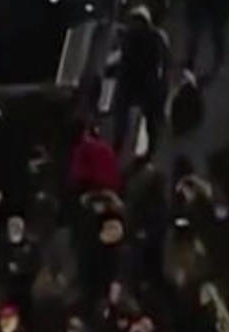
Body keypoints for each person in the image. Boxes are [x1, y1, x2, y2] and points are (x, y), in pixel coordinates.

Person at [113, 6, 170, 156]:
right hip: (130, 81)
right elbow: (123, 57)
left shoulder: (156, 37)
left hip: (146, 82)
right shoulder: (128, 36)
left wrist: (160, 85)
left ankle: (151, 148)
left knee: (150, 118)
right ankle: (117, 144)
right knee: (121, 114)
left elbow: (162, 62)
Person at [68, 122, 121, 194]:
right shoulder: (103, 145)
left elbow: (78, 175)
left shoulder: (81, 148)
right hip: (113, 188)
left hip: (96, 188)